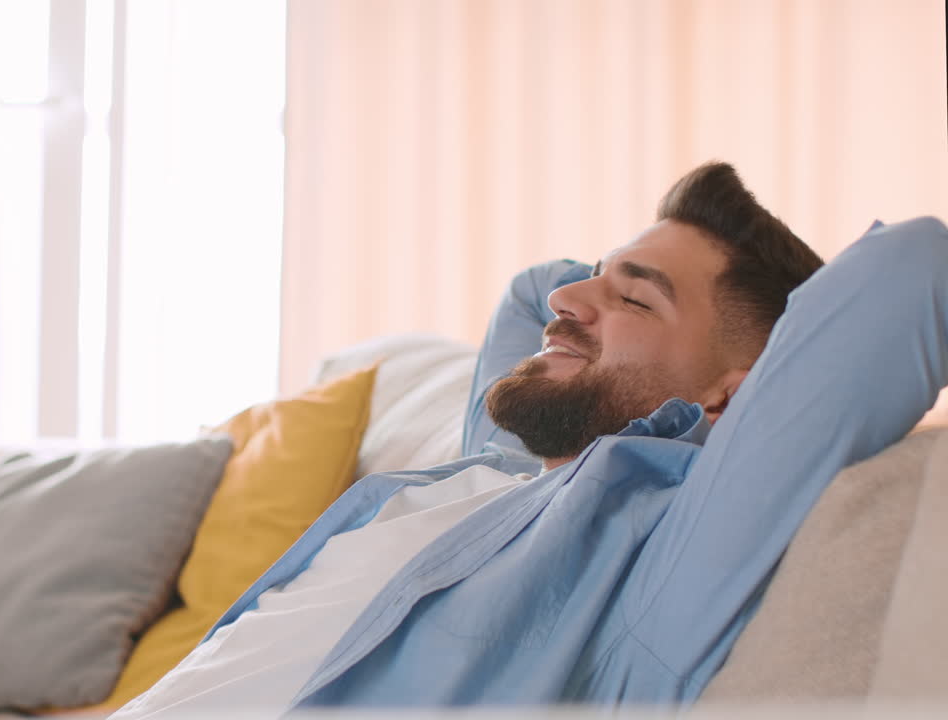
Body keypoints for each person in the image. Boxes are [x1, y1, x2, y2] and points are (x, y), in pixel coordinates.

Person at [110, 162, 948, 717]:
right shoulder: (497, 468)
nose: (569, 301)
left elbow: (913, 270)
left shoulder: (652, 549)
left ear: (743, 391)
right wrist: (627, 289)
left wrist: (740, 383)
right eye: (595, 278)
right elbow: (531, 292)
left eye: (637, 299)